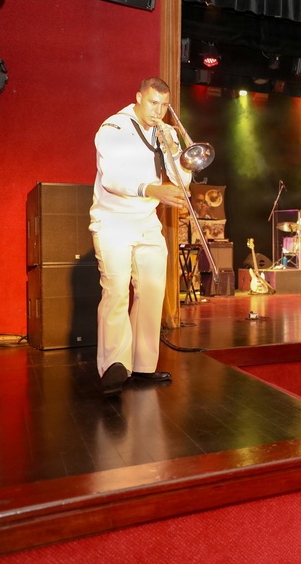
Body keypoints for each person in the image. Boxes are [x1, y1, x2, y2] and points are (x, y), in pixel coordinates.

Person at [90, 77, 188, 396]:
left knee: (152, 290)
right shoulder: (114, 128)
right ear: (138, 98)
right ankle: (114, 367)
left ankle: (143, 364)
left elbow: (180, 178)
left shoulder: (167, 131)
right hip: (113, 220)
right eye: (152, 103)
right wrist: (151, 188)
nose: (157, 111)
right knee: (117, 291)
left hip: (147, 219)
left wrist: (175, 153)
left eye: (163, 105)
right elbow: (113, 178)